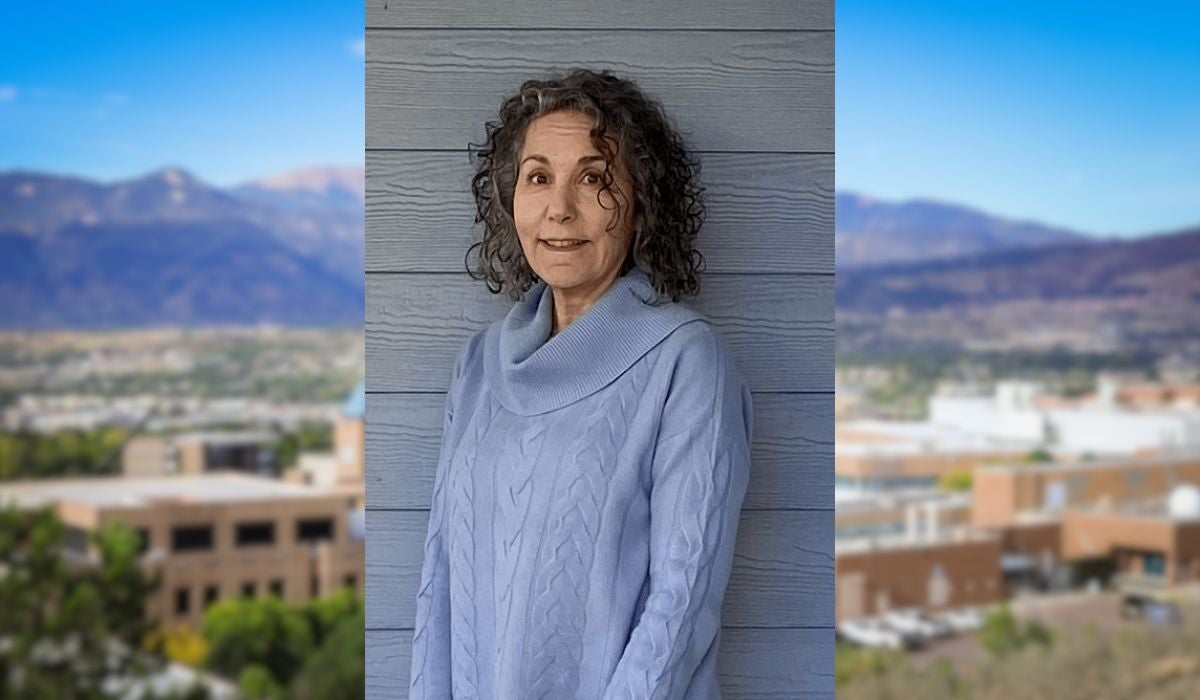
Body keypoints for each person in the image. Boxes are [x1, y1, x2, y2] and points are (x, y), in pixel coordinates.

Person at [409, 67, 752, 699]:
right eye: (538, 177)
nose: (559, 208)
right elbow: (441, 578)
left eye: (593, 179)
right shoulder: (479, 367)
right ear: (511, 198)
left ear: (642, 200)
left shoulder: (685, 361)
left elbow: (682, 602)